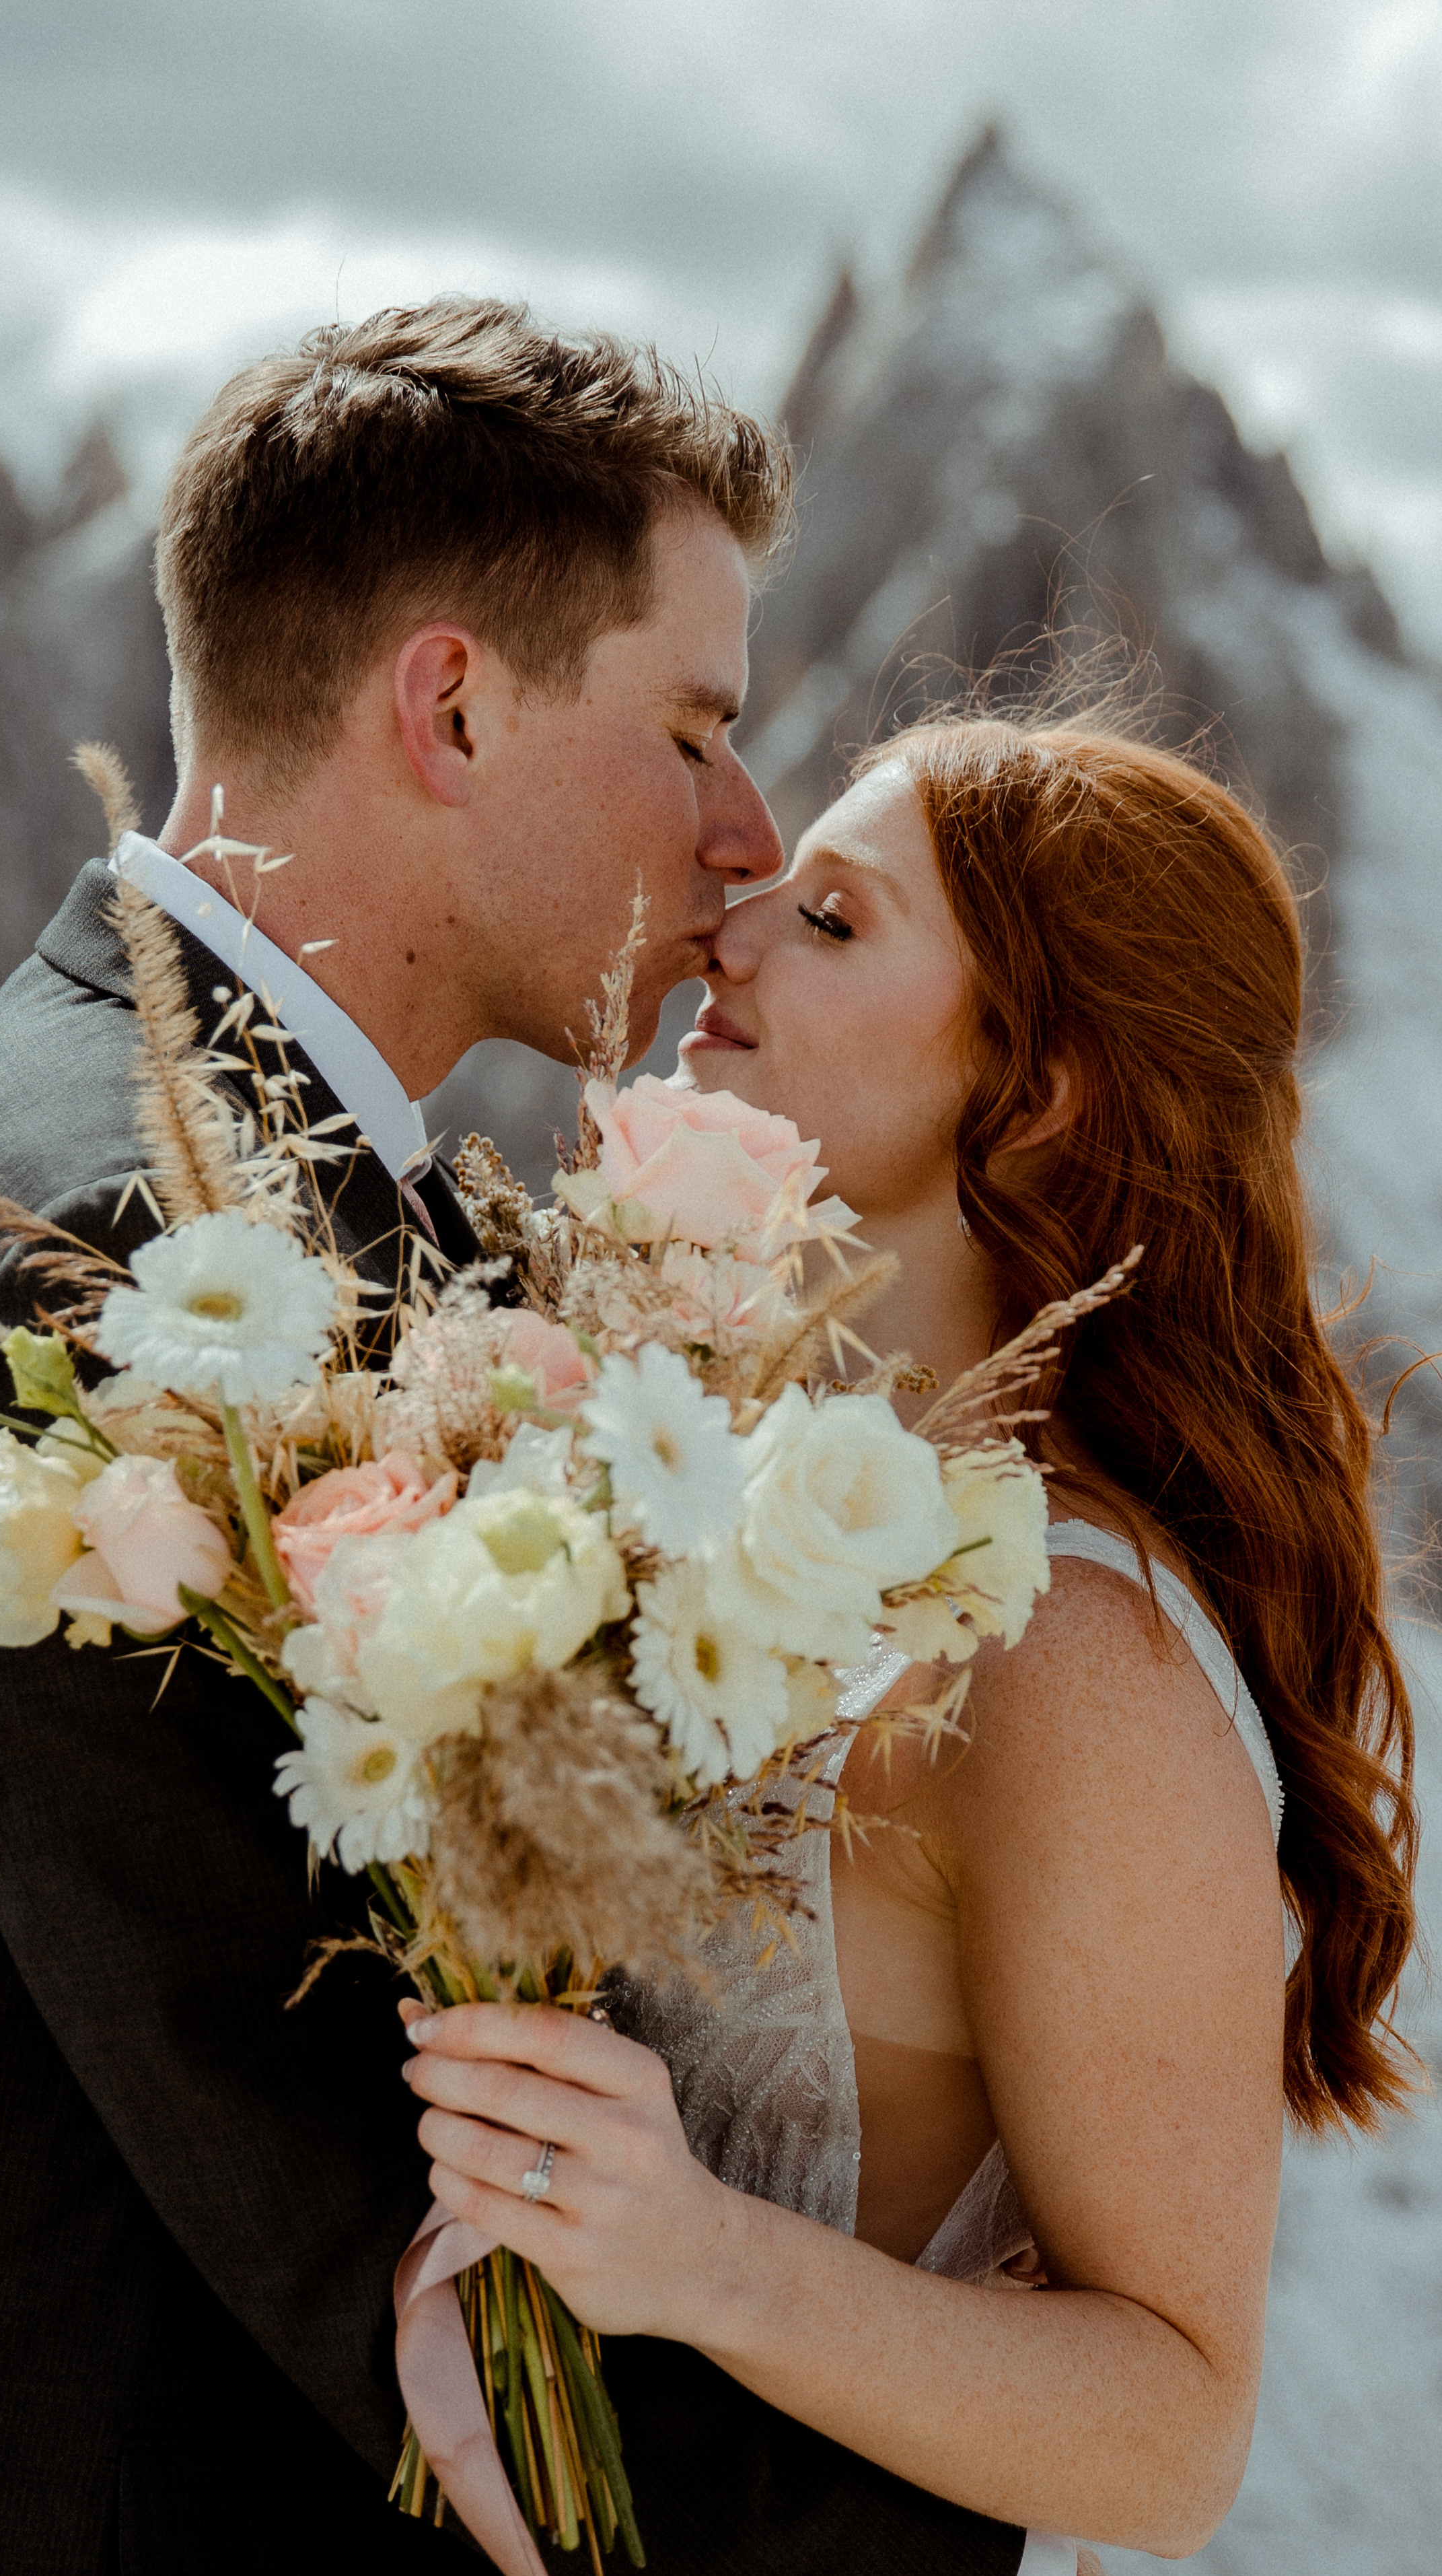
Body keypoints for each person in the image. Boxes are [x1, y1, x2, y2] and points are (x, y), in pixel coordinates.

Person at [0, 298, 1036, 2575]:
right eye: (694, 729)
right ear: (451, 707)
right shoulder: (105, 1271)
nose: (743, 834)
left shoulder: (259, 1184)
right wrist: (1003, 2450)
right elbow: (377, 2228)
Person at [399, 714, 1421, 2571]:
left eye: (835, 920)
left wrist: (696, 2254)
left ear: (1038, 1092)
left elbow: (1176, 2436)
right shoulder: (758, 1477)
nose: (731, 930)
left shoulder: (1080, 1659)